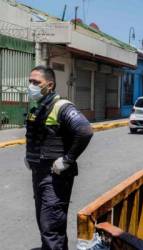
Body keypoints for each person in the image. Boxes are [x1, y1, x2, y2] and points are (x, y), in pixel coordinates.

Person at [25, 66, 93, 250]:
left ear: (50, 84)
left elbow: (85, 130)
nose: (31, 85)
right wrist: (30, 156)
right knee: (46, 222)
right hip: (39, 173)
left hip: (55, 176)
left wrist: (67, 159)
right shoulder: (38, 106)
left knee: (51, 226)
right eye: (30, 81)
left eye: (36, 82)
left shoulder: (61, 106)